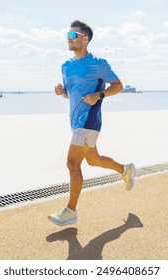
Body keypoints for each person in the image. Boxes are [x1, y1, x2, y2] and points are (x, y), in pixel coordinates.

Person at [48, 20, 135, 226]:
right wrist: (62, 93)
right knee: (93, 160)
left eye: (72, 36)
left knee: (72, 163)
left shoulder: (98, 63)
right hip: (76, 122)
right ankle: (125, 169)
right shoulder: (66, 66)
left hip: (89, 121)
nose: (68, 39)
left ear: (84, 39)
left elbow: (118, 85)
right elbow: (72, 95)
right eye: (67, 35)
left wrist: (99, 94)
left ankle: (71, 211)